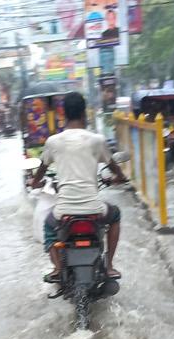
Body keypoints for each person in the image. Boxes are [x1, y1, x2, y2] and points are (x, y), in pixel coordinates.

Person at [29, 92, 127, 282]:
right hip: (94, 210)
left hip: (63, 212)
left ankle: (57, 268)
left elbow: (40, 171)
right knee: (115, 215)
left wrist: (34, 183)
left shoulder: (53, 142)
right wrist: (120, 177)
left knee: (48, 225)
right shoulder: (97, 140)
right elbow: (115, 168)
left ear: (63, 115)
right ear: (84, 114)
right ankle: (109, 265)